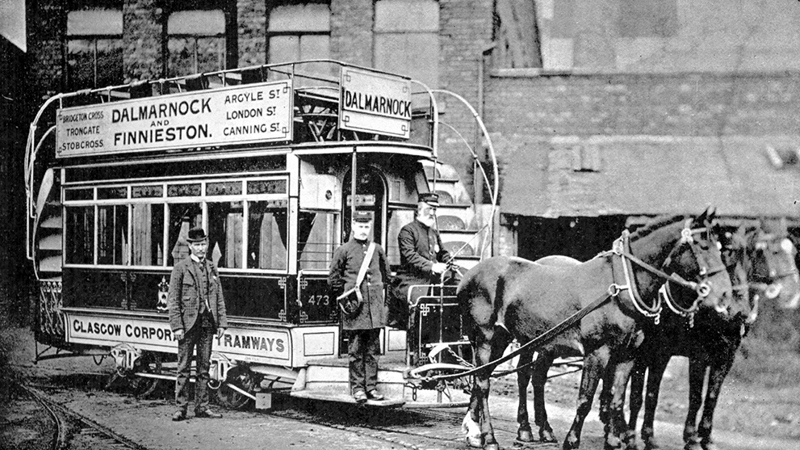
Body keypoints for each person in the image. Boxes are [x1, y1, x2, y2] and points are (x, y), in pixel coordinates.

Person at [167, 227, 228, 421]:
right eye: (197, 245)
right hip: (187, 325)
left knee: (204, 368)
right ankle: (181, 408)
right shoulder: (180, 268)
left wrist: (222, 323)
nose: (201, 248)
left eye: (204, 244)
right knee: (183, 368)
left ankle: (202, 407)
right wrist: (176, 326)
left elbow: (218, 298)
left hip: (207, 324)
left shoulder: (211, 267)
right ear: (190, 246)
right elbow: (173, 300)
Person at [329, 211, 390, 403]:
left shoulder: (377, 249)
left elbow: (387, 276)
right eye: (360, 226)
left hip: (374, 309)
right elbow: (333, 280)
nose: (363, 230)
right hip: (355, 309)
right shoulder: (344, 250)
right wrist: (347, 298)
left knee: (372, 351)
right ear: (353, 226)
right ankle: (357, 389)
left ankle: (371, 387)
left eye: (366, 227)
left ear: (370, 227)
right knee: (355, 351)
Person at [390, 192, 452, 363]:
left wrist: (448, 260)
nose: (433, 213)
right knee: (422, 305)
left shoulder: (433, 232)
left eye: (435, 210)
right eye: (430, 209)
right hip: (410, 281)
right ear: (420, 208)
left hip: (431, 282)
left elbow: (443, 252)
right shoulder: (407, 231)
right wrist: (432, 266)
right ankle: (417, 354)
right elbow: (410, 256)